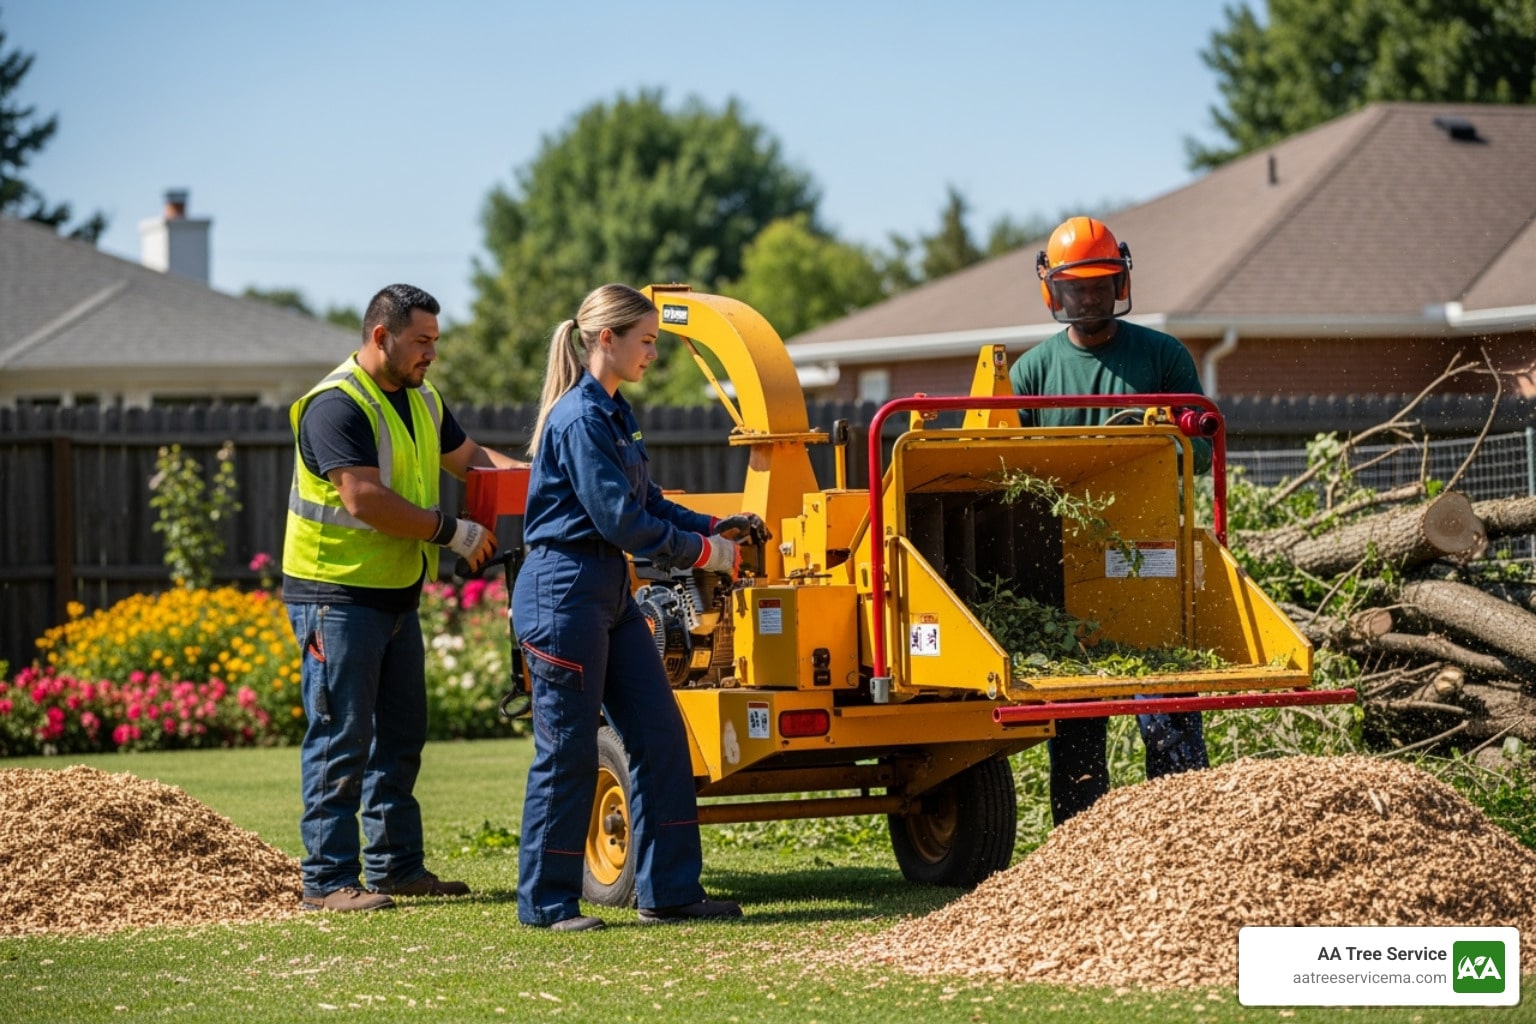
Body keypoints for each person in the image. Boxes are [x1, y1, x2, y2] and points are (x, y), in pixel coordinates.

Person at [513, 283, 758, 932]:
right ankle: (545, 904)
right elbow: (620, 520)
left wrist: (714, 526)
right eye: (646, 341)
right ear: (606, 340)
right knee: (567, 750)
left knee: (657, 733)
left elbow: (648, 503)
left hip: (608, 594)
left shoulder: (615, 414)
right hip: (562, 593)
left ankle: (670, 894)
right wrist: (705, 554)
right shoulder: (580, 418)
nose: (653, 352)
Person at [282, 283, 525, 912]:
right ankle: (328, 880)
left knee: (399, 736)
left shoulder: (421, 398)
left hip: (392, 594)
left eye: (435, 342)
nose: (431, 355)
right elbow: (363, 498)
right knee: (342, 737)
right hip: (333, 596)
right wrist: (453, 530)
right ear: (380, 337)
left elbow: (471, 460)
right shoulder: (336, 406)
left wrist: (536, 484)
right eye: (421, 342)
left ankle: (395, 868)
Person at [1010, 216, 1212, 826]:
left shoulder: (1162, 357)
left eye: (1102, 285)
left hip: (1150, 553)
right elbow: (1007, 475)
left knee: (1166, 703)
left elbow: (1201, 451)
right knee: (1076, 719)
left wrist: (1157, 437)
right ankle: (1081, 845)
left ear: (1119, 282)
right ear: (1055, 291)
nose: (1090, 297)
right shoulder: (1029, 374)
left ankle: (1181, 829)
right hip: (1061, 566)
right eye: (1078, 287)